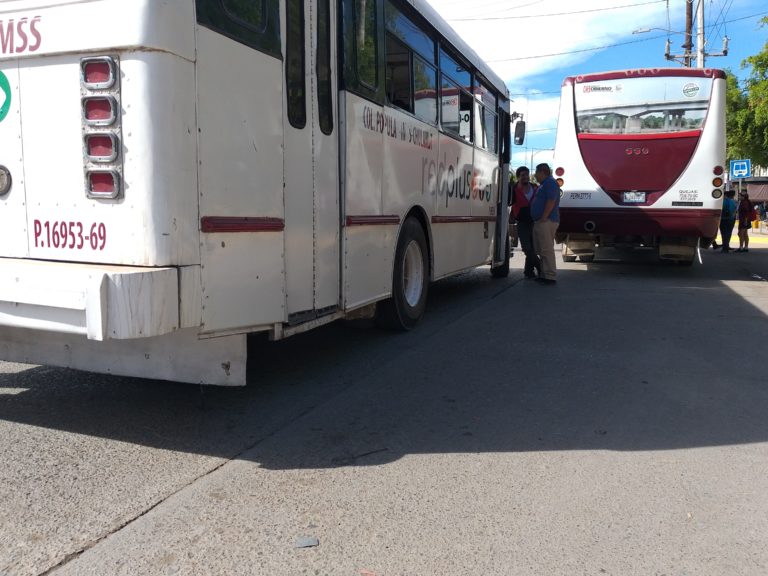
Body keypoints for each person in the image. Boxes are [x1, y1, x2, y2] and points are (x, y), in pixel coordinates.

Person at [530, 163, 561, 284]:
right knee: (541, 249)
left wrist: (544, 217)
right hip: (541, 221)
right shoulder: (544, 184)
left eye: (536, 173)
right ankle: (543, 274)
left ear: (542, 172)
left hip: (547, 221)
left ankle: (550, 276)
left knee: (546, 249)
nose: (535, 175)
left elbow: (551, 200)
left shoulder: (550, 183)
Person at [511, 166, 540, 278]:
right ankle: (540, 266)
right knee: (526, 248)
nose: (525, 177)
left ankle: (529, 271)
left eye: (527, 175)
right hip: (522, 222)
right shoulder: (513, 188)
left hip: (534, 221)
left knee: (533, 247)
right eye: (522, 175)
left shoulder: (535, 187)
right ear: (518, 177)